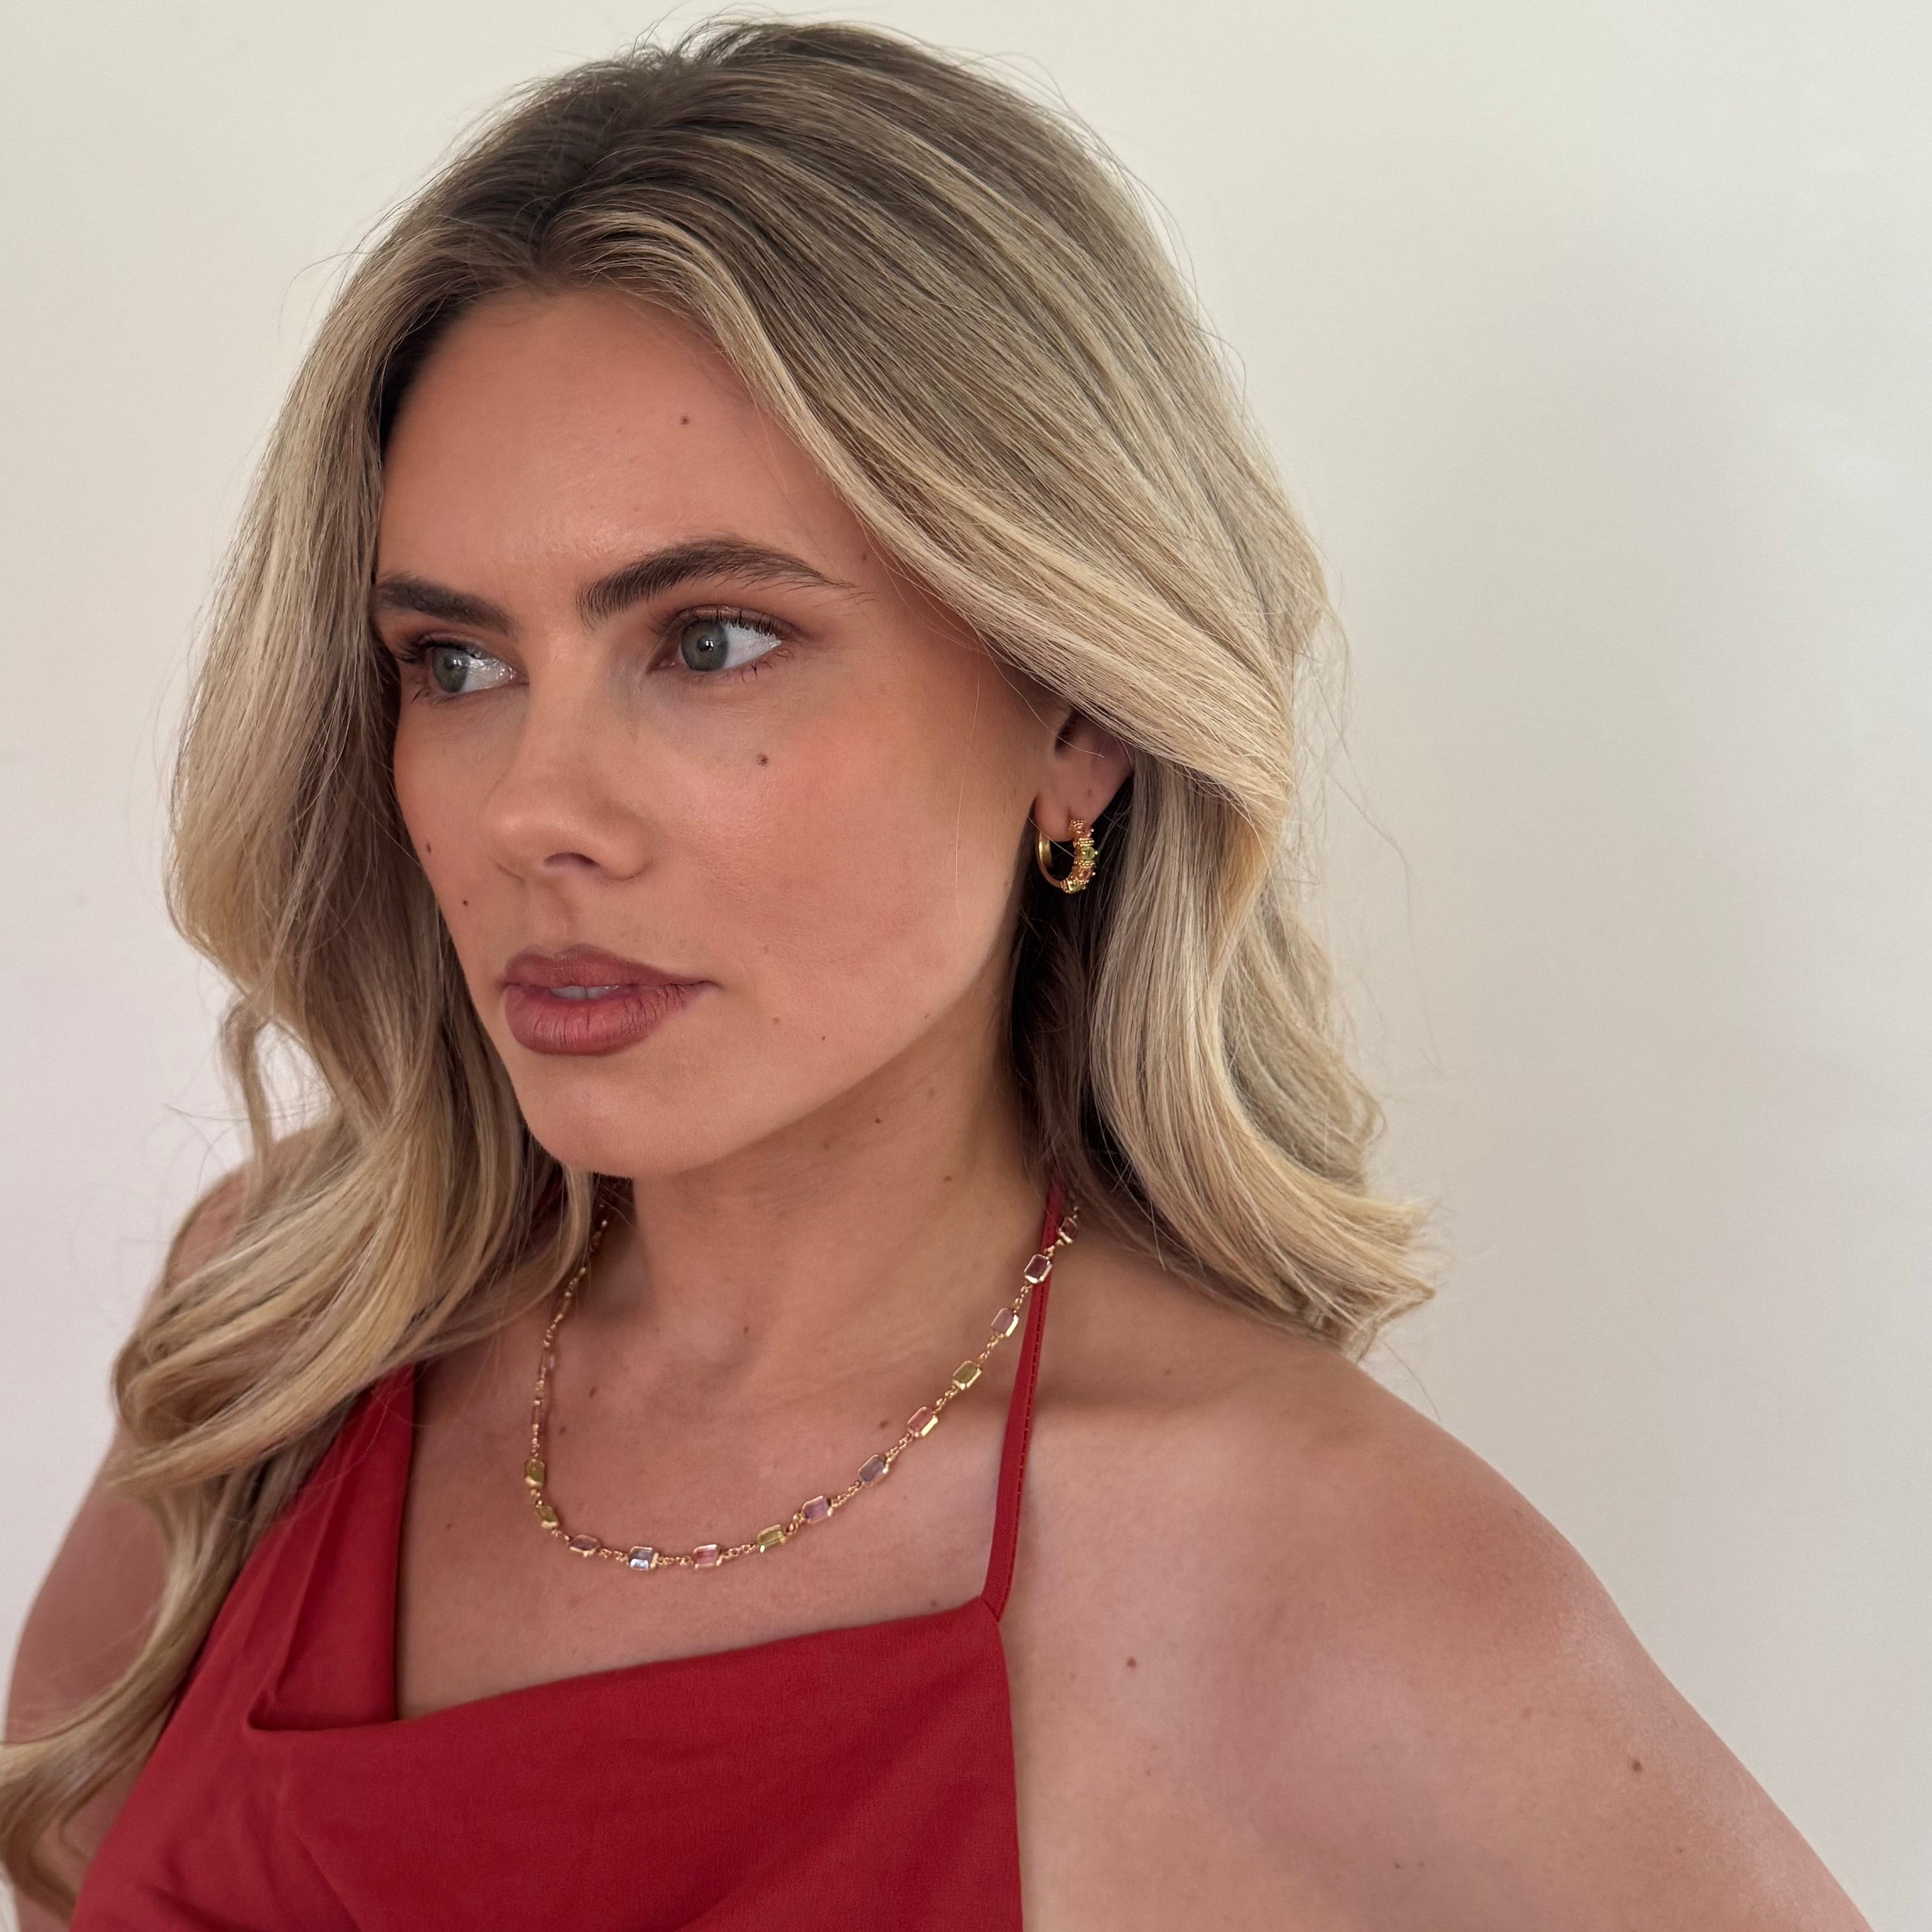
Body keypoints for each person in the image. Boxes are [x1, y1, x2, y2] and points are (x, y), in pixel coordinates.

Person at [0, 20, 1869, 1930]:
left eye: (710, 637)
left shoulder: (1309, 1568)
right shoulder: (286, 1328)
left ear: (1074, 711)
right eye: (456, 663)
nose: (529, 812)